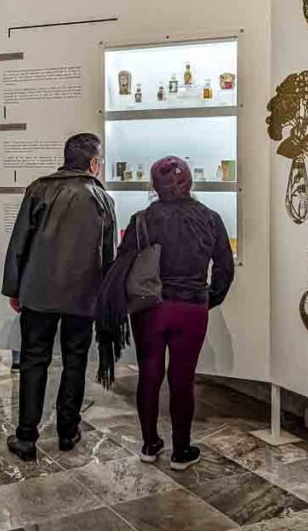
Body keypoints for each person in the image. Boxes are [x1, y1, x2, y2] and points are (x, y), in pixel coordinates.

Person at [96, 156, 234, 471]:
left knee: (149, 375)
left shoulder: (141, 219)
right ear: (190, 183)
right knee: (183, 380)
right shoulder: (210, 218)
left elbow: (124, 263)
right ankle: (181, 451)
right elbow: (224, 267)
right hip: (192, 310)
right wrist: (206, 299)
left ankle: (149, 444)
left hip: (150, 308)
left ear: (154, 187)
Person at [2, 133, 116, 460]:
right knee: (75, 361)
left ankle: (26, 437)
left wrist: (14, 288)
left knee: (33, 360)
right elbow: (108, 255)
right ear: (94, 163)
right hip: (83, 296)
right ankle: (68, 431)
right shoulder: (101, 198)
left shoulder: (40, 188)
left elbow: (19, 242)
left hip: (38, 292)